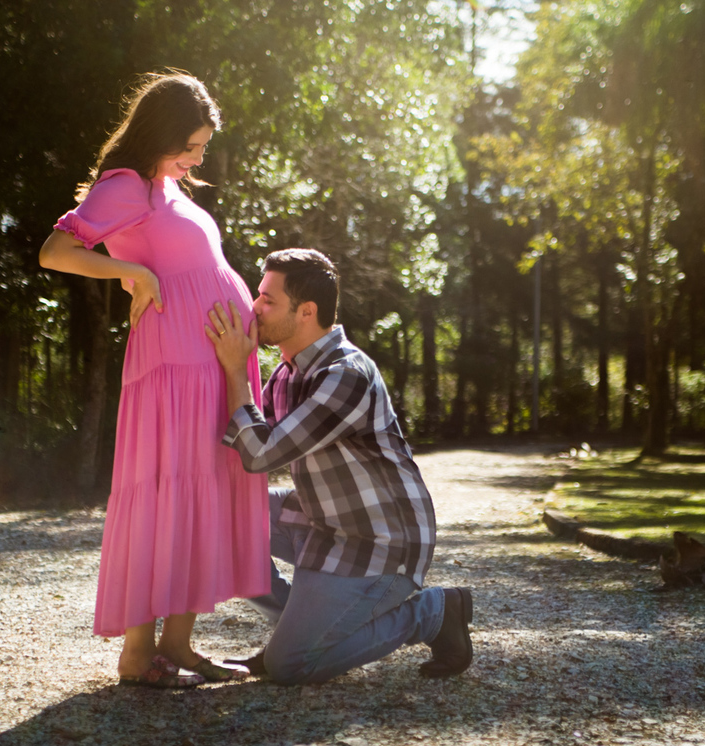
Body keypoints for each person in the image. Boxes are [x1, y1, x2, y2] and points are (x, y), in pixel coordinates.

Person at [39, 72, 269, 689]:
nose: (198, 158)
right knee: (169, 486)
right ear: (161, 134)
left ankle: (180, 646)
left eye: (201, 148)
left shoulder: (165, 185)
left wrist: (137, 270)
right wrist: (133, 273)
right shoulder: (127, 184)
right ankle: (139, 657)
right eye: (189, 146)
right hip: (175, 362)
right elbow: (56, 252)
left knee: (205, 484)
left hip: (212, 358)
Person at [204, 248, 474, 685]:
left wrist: (235, 369)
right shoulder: (286, 375)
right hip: (321, 523)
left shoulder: (347, 373)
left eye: (268, 300)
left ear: (306, 312)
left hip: (379, 543)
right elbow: (243, 438)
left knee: (292, 667)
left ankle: (432, 614)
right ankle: (295, 635)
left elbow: (260, 454)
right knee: (214, 515)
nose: (254, 307)